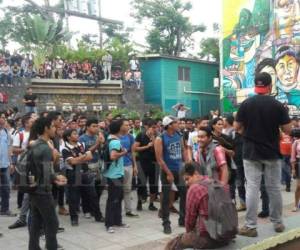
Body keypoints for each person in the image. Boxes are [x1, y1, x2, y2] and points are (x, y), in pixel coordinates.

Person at [235, 72, 292, 237]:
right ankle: (278, 222)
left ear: (256, 85)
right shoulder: (277, 105)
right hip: (272, 152)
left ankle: (250, 226)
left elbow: (237, 127)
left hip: (251, 152)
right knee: (274, 188)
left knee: (252, 187)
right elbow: (288, 129)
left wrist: (249, 130)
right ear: (270, 85)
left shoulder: (246, 104)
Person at [165, 162, 230, 250]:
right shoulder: (217, 182)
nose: (186, 183)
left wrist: (189, 235)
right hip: (226, 236)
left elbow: (189, 221)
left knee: (172, 244)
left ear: (196, 173)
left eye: (187, 179)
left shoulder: (194, 189)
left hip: (208, 239)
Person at [28, 116, 67, 250]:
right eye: (53, 126)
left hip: (33, 189)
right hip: (43, 191)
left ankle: (33, 247)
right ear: (46, 128)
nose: (55, 129)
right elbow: (46, 172)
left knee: (36, 222)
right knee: (52, 223)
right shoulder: (45, 148)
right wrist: (57, 178)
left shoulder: (35, 143)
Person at [154, 115, 186, 234]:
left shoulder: (179, 135)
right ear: (170, 125)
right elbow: (159, 159)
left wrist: (187, 165)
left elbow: (183, 150)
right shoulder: (160, 138)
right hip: (167, 170)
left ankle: (182, 219)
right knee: (166, 198)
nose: (179, 124)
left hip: (179, 170)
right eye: (176, 123)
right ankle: (166, 223)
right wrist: (168, 173)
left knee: (184, 193)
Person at [61, 129, 94, 226]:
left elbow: (90, 157)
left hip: (85, 172)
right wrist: (83, 157)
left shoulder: (82, 145)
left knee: (91, 194)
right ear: (68, 137)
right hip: (73, 173)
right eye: (74, 134)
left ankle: (96, 214)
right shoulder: (65, 148)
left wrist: (79, 158)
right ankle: (74, 218)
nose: (77, 135)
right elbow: (72, 162)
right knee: (73, 197)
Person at [103, 119, 129, 233]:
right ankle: (109, 224)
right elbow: (113, 156)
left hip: (115, 173)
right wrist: (124, 152)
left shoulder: (111, 138)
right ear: (119, 128)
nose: (127, 126)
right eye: (125, 125)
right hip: (115, 175)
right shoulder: (115, 141)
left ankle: (117, 221)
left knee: (118, 198)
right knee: (113, 199)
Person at [79, 118, 105, 221]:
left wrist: (102, 143)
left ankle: (93, 208)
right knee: (89, 191)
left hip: (98, 165)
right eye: (94, 126)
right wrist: (97, 144)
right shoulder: (82, 138)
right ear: (88, 127)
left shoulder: (97, 136)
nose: (96, 128)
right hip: (88, 166)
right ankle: (89, 211)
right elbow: (85, 152)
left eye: (97, 126)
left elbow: (102, 149)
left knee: (99, 188)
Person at [134, 119, 158, 211]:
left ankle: (151, 204)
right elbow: (135, 148)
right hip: (143, 163)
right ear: (147, 127)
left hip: (154, 163)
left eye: (156, 127)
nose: (154, 129)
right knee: (141, 183)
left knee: (153, 184)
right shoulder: (141, 135)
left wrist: (154, 140)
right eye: (153, 127)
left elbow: (159, 150)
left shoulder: (157, 136)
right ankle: (139, 202)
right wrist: (147, 146)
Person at [119, 119, 139, 217]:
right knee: (117, 189)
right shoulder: (114, 136)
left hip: (128, 165)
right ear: (120, 126)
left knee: (127, 189)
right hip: (117, 166)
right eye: (126, 125)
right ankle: (116, 210)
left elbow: (132, 152)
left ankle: (128, 210)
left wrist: (135, 165)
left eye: (128, 125)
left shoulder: (130, 137)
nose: (128, 127)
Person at [0, 111, 16, 217]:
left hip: (4, 165)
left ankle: (5, 209)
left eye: (4, 118)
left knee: (6, 188)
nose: (3, 119)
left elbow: (9, 149)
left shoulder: (6, 132)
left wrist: (11, 163)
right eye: (1, 117)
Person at [291, 132, 300, 211]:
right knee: (298, 186)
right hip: (299, 164)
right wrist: (293, 169)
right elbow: (293, 157)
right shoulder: (296, 142)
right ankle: (296, 205)